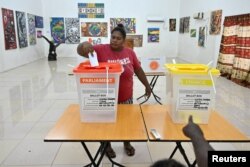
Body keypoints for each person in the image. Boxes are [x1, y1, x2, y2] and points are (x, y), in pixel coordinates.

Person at [77, 24, 152, 158]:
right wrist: (83, 45)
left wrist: (147, 85)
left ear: (123, 40)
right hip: (105, 97)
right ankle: (106, 145)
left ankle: (127, 143)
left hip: (126, 97)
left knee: (126, 123)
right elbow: (80, 51)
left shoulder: (130, 52)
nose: (114, 40)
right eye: (113, 37)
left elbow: (138, 70)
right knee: (105, 123)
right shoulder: (100, 50)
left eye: (118, 38)